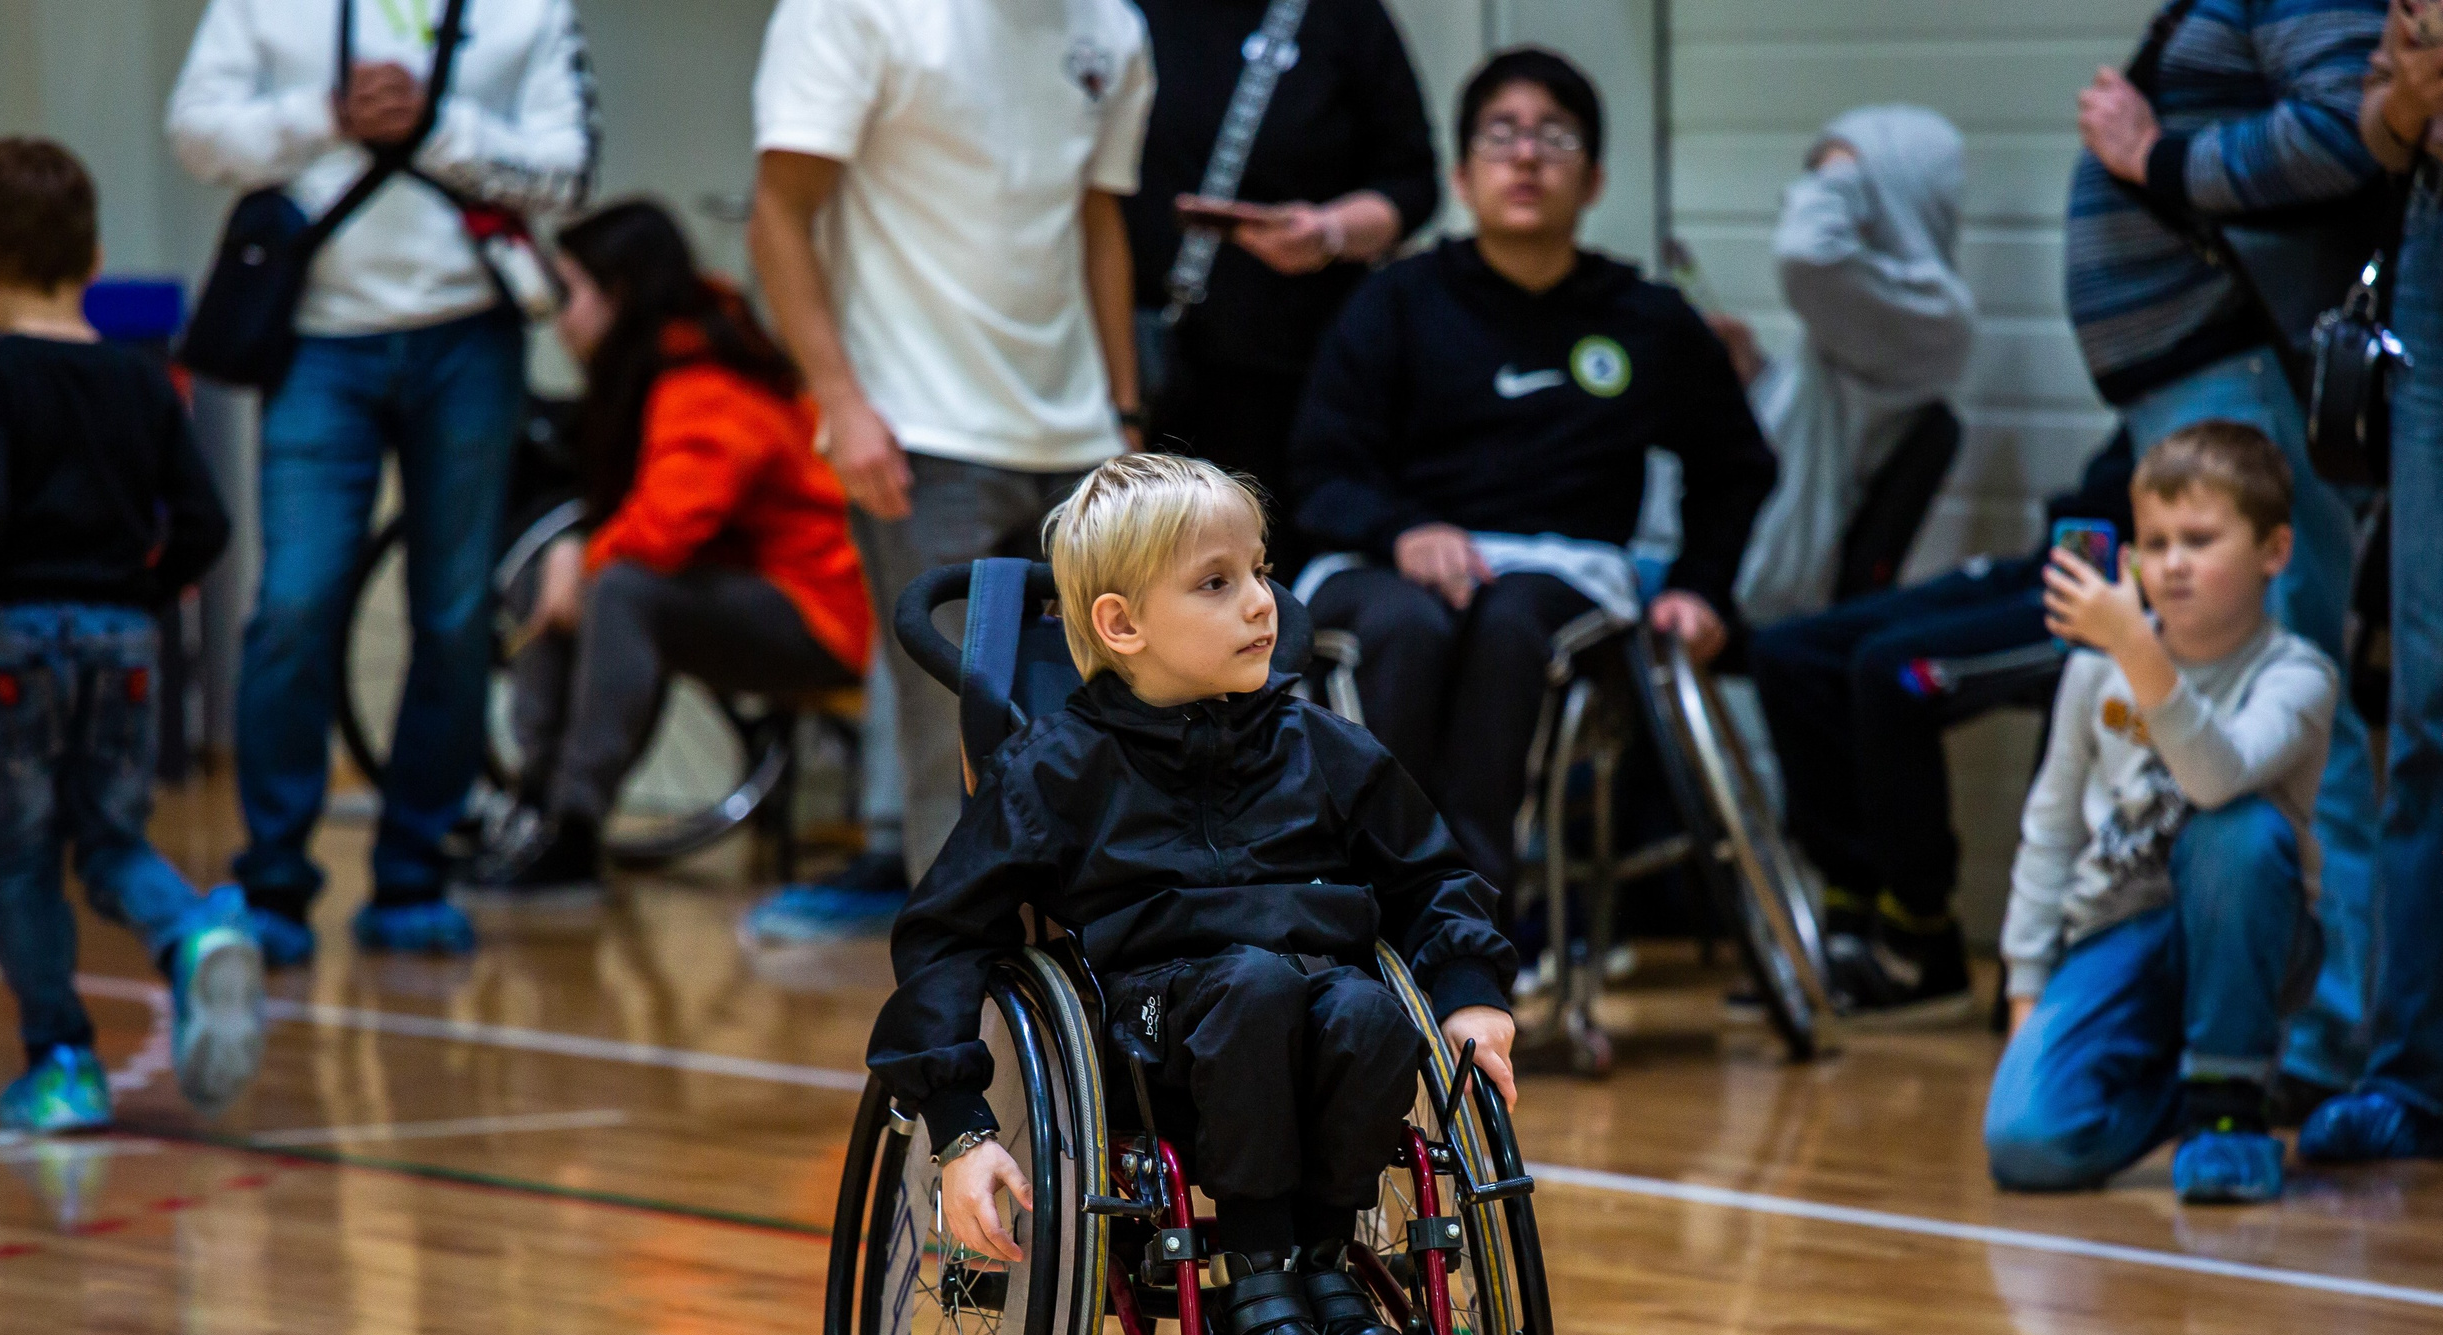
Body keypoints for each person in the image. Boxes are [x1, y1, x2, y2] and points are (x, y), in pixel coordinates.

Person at [869, 454, 1517, 1335]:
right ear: (1121, 624)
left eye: (1259, 571)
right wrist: (962, 1132)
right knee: (1254, 987)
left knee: (1372, 1013)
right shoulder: (1053, 771)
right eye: (1218, 583)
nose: (1263, 603)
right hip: (1148, 1040)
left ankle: (1324, 1263)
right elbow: (942, 940)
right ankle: (1258, 1285)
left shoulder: (1324, 748)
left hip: (1310, 1017)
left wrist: (1467, 995)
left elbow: (1433, 878)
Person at [1288, 47, 1777, 925]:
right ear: (1460, 173)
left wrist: (1702, 590)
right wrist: (1404, 531)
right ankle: (1355, 909)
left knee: (1511, 627)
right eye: (1501, 136)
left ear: (1592, 179)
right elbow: (1321, 472)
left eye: (1553, 138)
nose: (1525, 157)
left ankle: (1470, 934)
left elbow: (1736, 466)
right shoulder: (1394, 303)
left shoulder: (1648, 319)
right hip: (1391, 558)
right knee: (1404, 628)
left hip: (1564, 573)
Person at [168, 0, 597, 963]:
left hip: (471, 334)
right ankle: (273, 881)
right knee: (294, 604)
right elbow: (195, 132)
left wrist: (433, 125)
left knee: (451, 617)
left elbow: (569, 171)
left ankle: (413, 873)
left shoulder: (531, 10)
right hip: (317, 343)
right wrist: (325, 114)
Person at [745, 0, 1155, 941]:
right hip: (920, 429)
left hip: (1079, 438)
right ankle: (957, 1005)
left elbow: (1099, 221)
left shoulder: (1115, 28)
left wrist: (1124, 416)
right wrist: (841, 405)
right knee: (949, 742)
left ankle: (1106, 997)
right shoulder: (858, 14)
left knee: (1120, 728)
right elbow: (780, 213)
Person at [0, 139, 265, 1135]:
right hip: (121, 642)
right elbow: (209, 525)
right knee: (108, 838)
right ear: (94, 259)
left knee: (21, 860)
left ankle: (61, 1062)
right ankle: (187, 930)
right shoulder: (143, 385)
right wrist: (143, 596)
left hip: (10, 643)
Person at [2064, 0, 2385, 1109]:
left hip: (2242, 364)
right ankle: (2307, 1027)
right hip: (2198, 371)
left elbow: (2346, 127)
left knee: (2299, 702)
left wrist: (2153, 156)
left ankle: (2332, 1036)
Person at [462, 200, 871, 897]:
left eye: (569, 293)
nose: (555, 314)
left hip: (824, 618)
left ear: (617, 294)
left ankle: (573, 830)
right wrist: (570, 558)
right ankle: (536, 805)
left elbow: (663, 532)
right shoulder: (661, 371)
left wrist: (580, 562)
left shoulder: (704, 382)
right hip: (758, 593)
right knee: (565, 569)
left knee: (620, 588)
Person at [1986, 423, 2338, 1204]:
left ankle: (2227, 1108)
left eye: (2200, 540)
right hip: (2115, 936)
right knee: (2025, 1147)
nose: (2171, 564)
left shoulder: (2297, 678)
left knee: (2237, 831)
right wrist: (2026, 999)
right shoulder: (2091, 673)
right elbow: (2050, 835)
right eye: (2154, 542)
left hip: (2246, 936)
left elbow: (2217, 779)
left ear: (2273, 553)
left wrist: (2134, 653)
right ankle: (2194, 1086)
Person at [1749, 430, 2137, 1017]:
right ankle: (1850, 916)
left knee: (1892, 673)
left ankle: (1918, 938)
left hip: (2117, 588)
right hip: (2064, 553)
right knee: (1787, 654)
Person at [1126, 0, 1437, 571]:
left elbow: (1413, 182)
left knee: (1262, 572)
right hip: (1136, 364)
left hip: (1290, 371)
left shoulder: (1342, 18)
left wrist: (1331, 231)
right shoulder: (1112, 14)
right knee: (1147, 572)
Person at [2305, 4, 2443, 1160]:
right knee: (2427, 706)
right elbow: (2377, 127)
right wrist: (2419, 84)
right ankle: (2411, 1076)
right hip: (2434, 255)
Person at [1730, 105, 1976, 628]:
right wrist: (1758, 376)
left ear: (1897, 195)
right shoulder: (1885, 302)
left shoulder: (1929, 313)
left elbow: (1804, 251)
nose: (1826, 198)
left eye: (1851, 189)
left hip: (1757, 567)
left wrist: (1841, 168)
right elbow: (1834, 421)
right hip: (1747, 532)